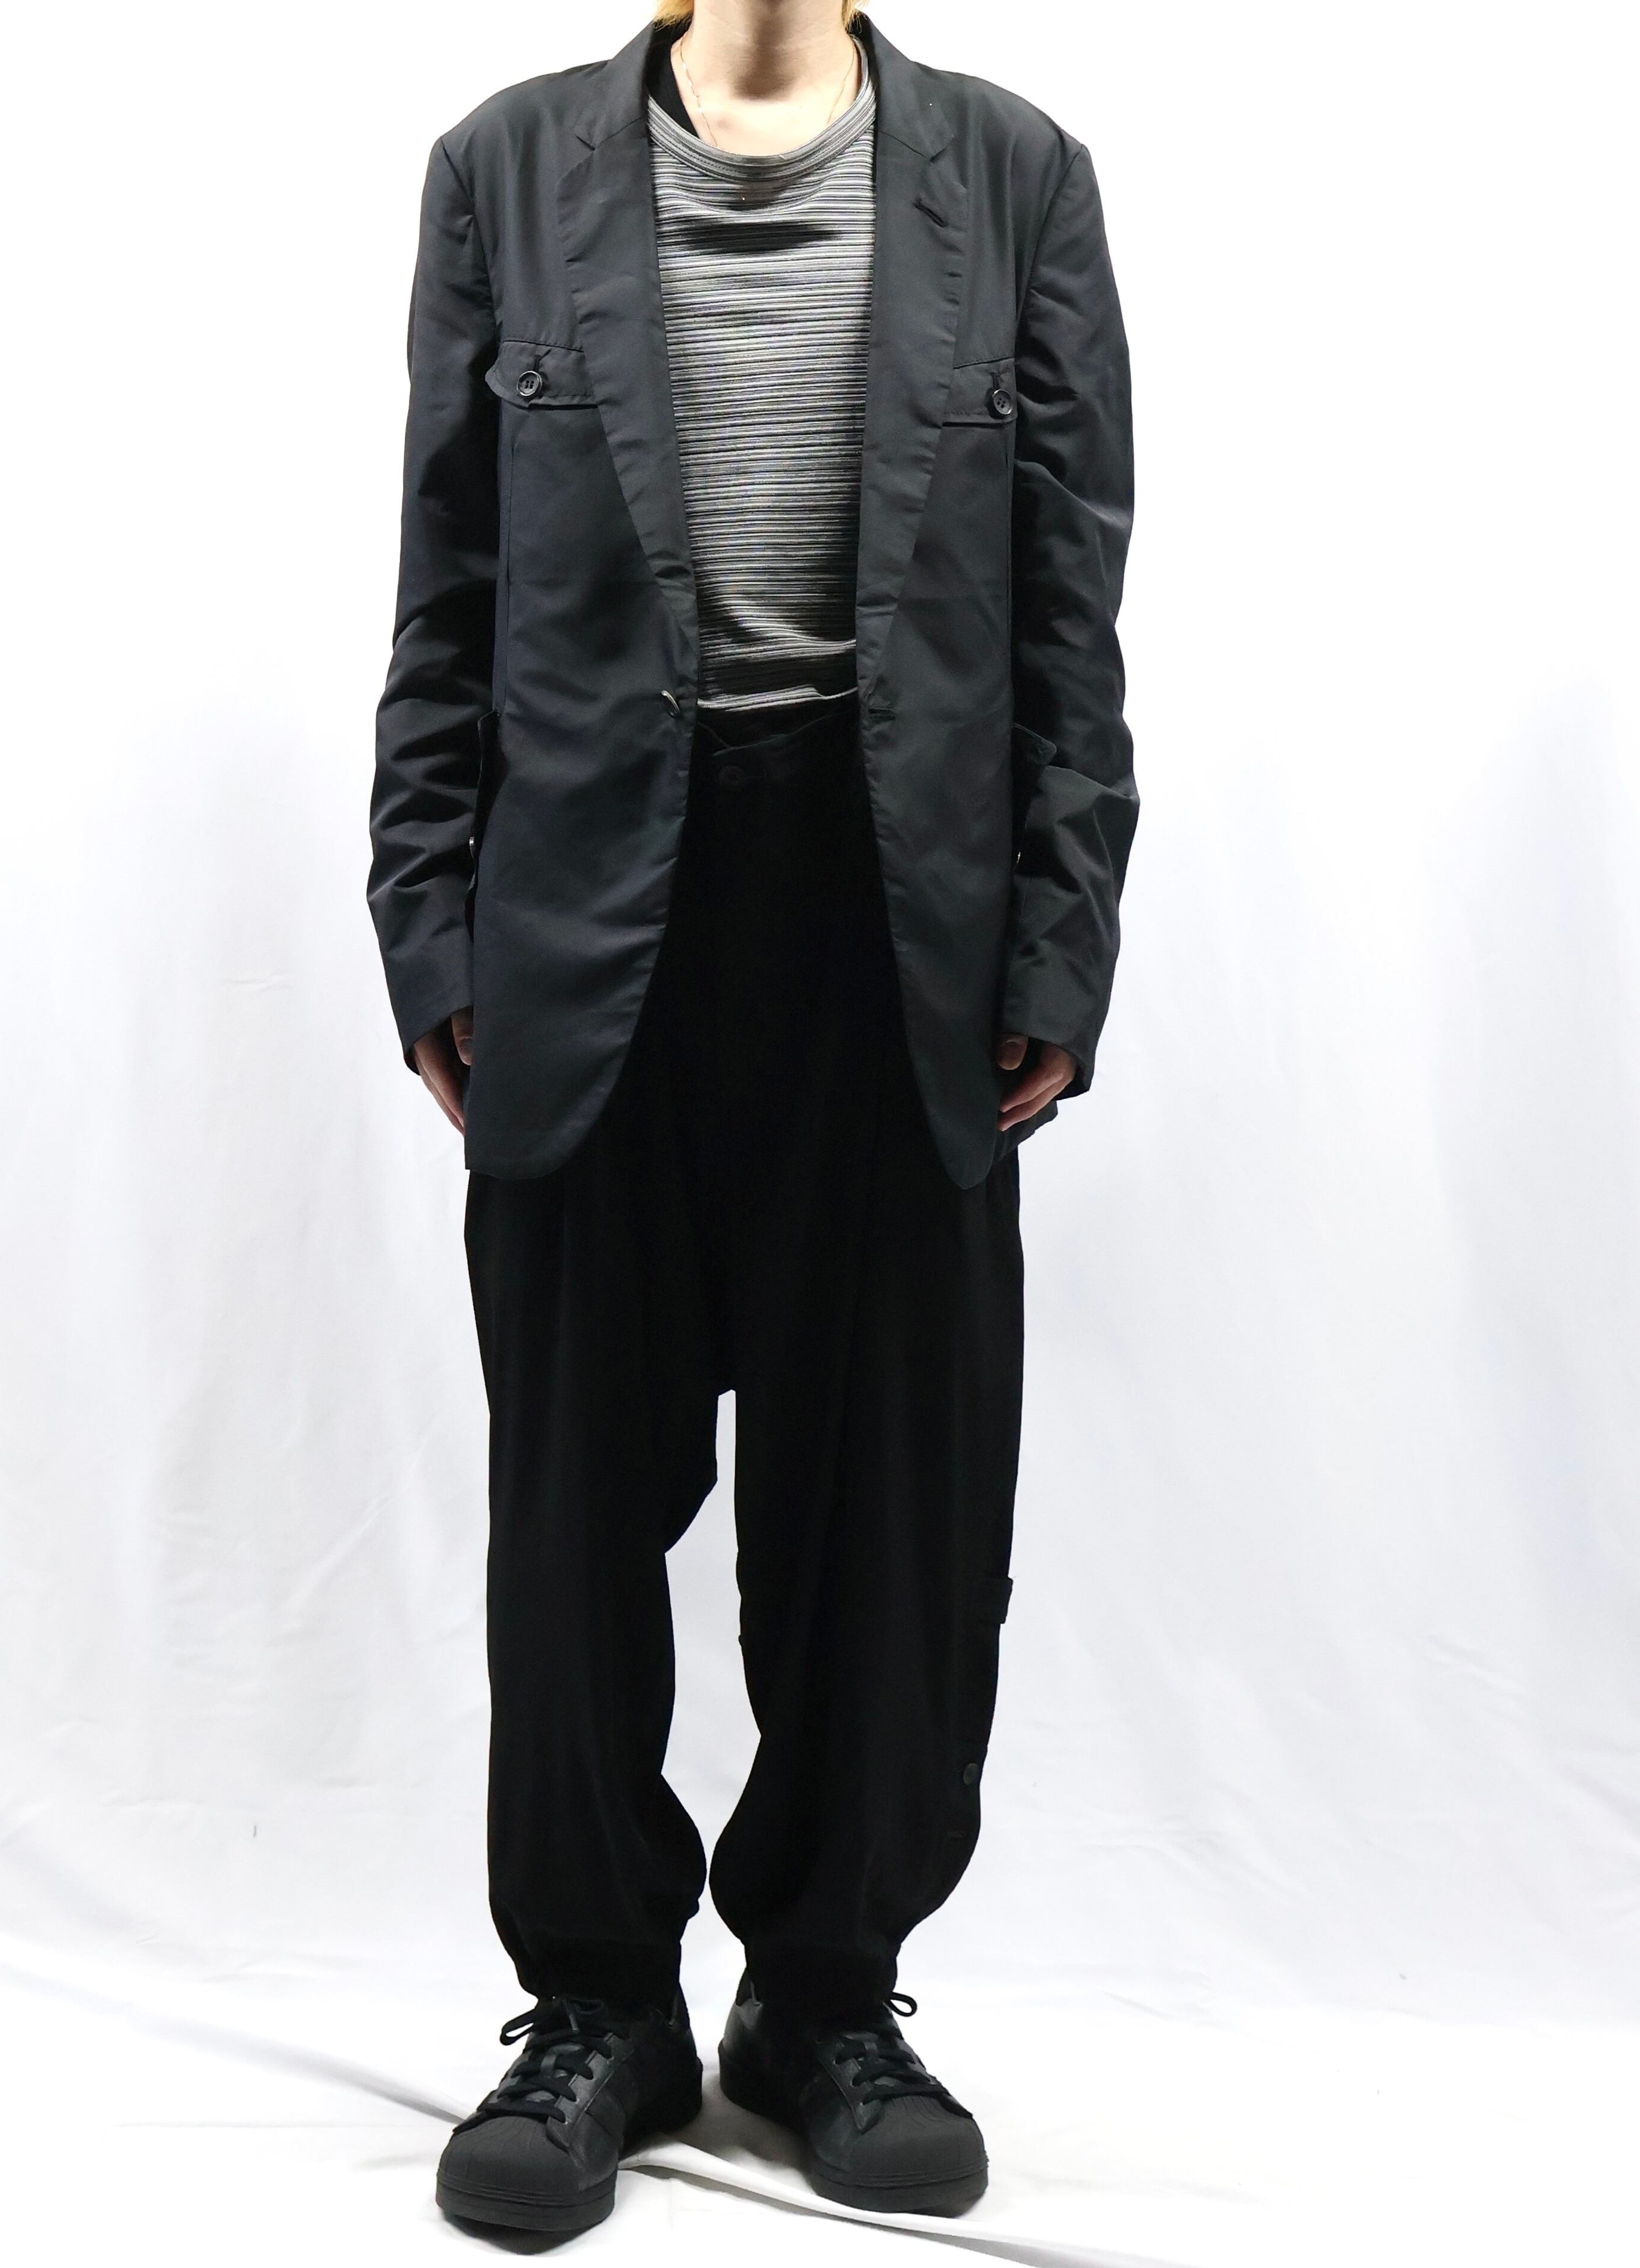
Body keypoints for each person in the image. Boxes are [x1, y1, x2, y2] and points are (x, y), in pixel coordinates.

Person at [367, 0, 1134, 2236]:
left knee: (894, 1514)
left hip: (900, 923)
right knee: (573, 1511)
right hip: (588, 912)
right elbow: (446, 581)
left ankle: (823, 1997)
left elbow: (1069, 603)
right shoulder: (506, 168)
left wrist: (1060, 937)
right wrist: (429, 921)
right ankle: (598, 2005)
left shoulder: (1015, 175)